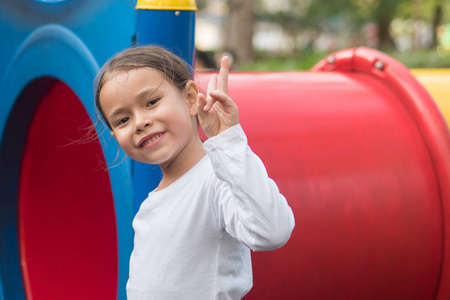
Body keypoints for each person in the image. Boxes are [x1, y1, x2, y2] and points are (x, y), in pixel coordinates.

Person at [94, 45, 295, 300]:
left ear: (190, 98)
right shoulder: (152, 202)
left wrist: (228, 140)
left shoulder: (217, 178)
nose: (139, 122)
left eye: (152, 102)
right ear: (115, 135)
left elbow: (272, 231)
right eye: (122, 120)